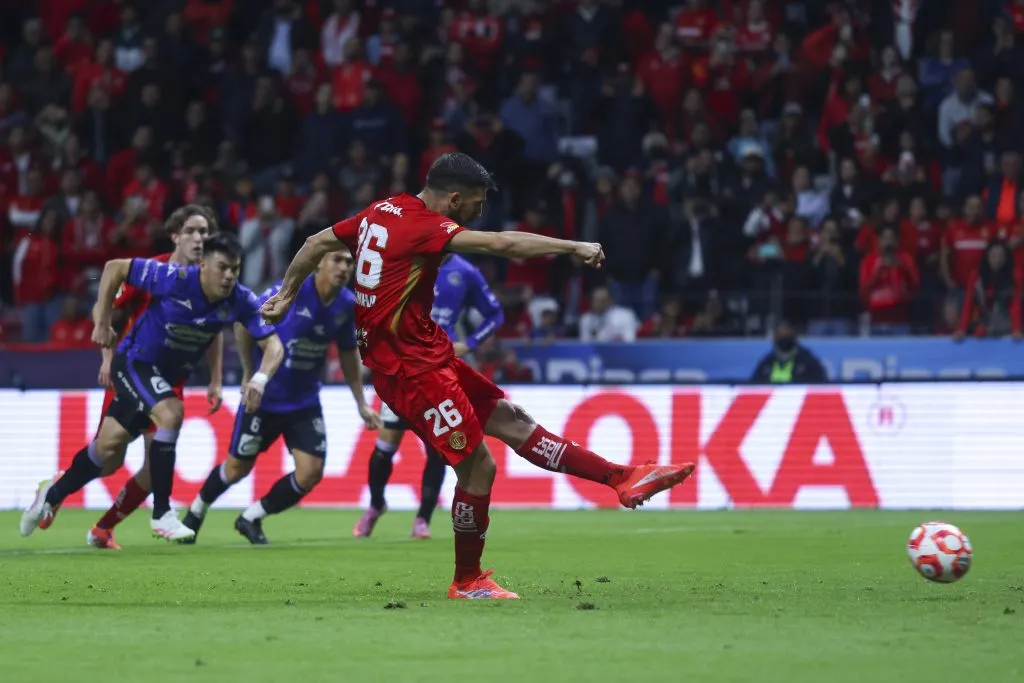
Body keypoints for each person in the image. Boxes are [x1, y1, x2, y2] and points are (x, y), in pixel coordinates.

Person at [261, 152, 696, 600]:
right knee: (478, 467)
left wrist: (286, 294)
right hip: (408, 369)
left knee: (512, 419)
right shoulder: (427, 227)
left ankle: (621, 478)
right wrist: (572, 247)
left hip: (427, 353)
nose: (479, 213)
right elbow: (502, 245)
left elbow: (315, 241)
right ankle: (467, 581)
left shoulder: (382, 210)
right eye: (476, 204)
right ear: (453, 199)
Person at [20, 233, 285, 542]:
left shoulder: (240, 299)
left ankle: (51, 495)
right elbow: (113, 267)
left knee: (106, 449)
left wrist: (259, 378)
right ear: (203, 265)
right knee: (172, 413)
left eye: (234, 270)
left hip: (163, 378)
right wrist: (102, 322)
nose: (228, 276)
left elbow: (275, 346)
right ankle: (162, 513)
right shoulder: (173, 278)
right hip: (134, 363)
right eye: (222, 267)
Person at [180, 249, 382, 544]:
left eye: (349, 262)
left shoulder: (346, 304)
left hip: (304, 401)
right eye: (337, 260)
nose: (344, 267)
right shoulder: (288, 293)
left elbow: (349, 355)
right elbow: (243, 322)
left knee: (311, 472)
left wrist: (361, 403)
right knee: (237, 468)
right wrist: (250, 369)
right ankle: (195, 512)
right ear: (319, 263)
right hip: (265, 398)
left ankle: (251, 517)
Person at [85, 205, 225, 550]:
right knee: (109, 457)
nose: (199, 238)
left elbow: (215, 331)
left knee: (153, 468)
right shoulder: (152, 271)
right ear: (175, 235)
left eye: (204, 233)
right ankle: (57, 489)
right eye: (191, 231)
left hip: (170, 380)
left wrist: (216, 378)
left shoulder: (209, 277)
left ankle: (103, 528)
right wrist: (106, 353)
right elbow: (107, 305)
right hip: (135, 371)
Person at [354, 252, 505, 540]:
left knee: (440, 447)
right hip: (403, 368)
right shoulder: (405, 260)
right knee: (386, 445)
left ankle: (422, 518)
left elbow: (495, 314)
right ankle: (375, 505)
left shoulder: (465, 271)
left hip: (440, 370)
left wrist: (469, 343)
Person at [751, 321, 828, 383]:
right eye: (780, 333)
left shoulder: (808, 362)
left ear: (794, 335)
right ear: (774, 336)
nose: (783, 335)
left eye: (786, 332)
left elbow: (821, 386)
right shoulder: (766, 363)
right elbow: (753, 387)